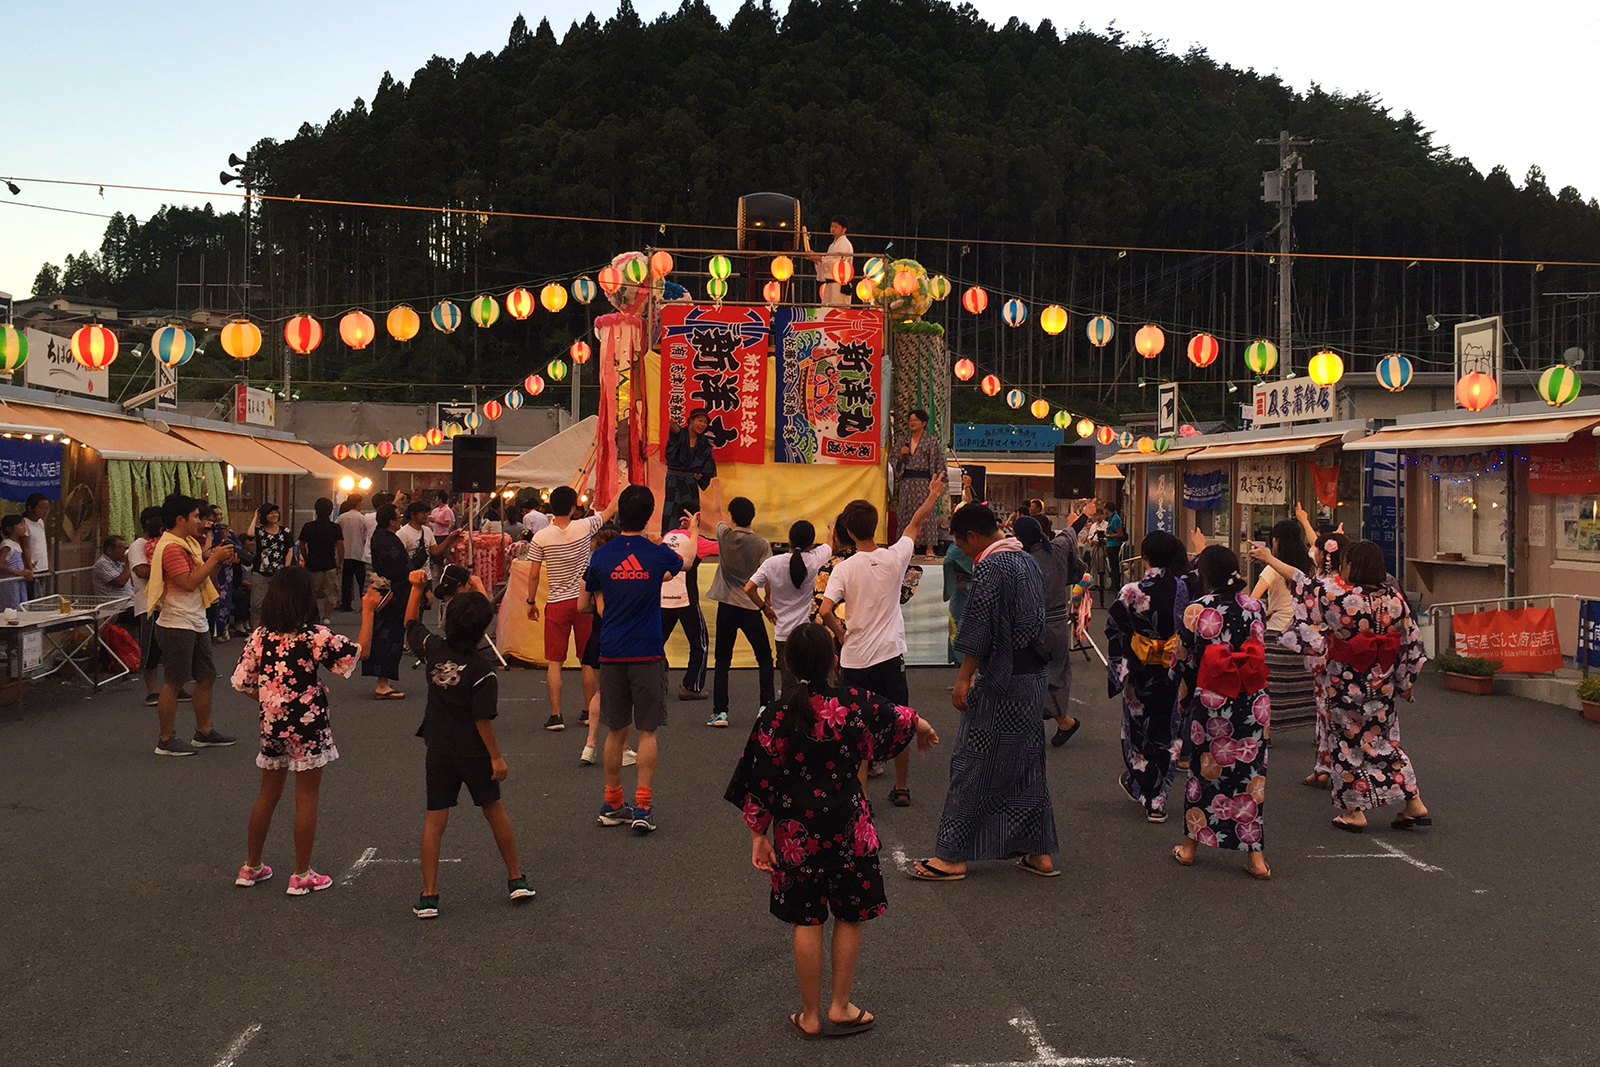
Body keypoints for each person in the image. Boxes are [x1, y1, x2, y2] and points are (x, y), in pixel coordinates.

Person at [726, 622, 938, 1038]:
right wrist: (924, 727)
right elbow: (902, 717)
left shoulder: (775, 715)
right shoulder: (856, 703)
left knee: (806, 921)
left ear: (787, 662)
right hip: (849, 828)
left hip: (796, 835)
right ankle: (840, 1005)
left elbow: (760, 779)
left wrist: (758, 835)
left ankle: (809, 1014)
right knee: (849, 915)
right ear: (835, 660)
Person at [909, 504, 1057, 880]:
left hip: (1002, 678)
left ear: (972, 537)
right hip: (1034, 675)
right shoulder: (1025, 558)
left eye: (962, 544)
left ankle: (952, 855)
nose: (965, 552)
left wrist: (964, 677)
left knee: (973, 761)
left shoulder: (991, 566)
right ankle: (1038, 851)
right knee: (1028, 763)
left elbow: (978, 626)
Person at [1251, 538, 1432, 832]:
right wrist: (1402, 680)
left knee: (1346, 744)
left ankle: (1353, 811)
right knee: (1383, 741)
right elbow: (1410, 643)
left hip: (1346, 681)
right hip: (1382, 682)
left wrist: (1270, 558)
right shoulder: (1395, 599)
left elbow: (1301, 582)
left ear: (1351, 566)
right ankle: (1413, 801)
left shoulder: (1340, 598)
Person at [231, 567, 379, 895]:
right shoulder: (314, 636)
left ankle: (251, 865)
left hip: (272, 723)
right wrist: (367, 610)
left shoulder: (260, 636)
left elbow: (242, 681)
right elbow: (358, 653)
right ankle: (301, 873)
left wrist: (271, 698)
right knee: (306, 795)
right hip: (308, 722)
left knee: (267, 794)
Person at [405, 567, 535, 918]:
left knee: (435, 820)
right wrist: (497, 757)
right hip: (474, 750)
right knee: (494, 811)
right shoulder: (483, 669)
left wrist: (416, 589)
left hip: (439, 747)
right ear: (483, 630)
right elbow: (483, 720)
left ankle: (429, 894)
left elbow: (410, 625)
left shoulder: (433, 648)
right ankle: (515, 877)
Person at [818, 479, 942, 806]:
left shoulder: (843, 569)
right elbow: (915, 523)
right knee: (899, 717)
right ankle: (901, 787)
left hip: (855, 659)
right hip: (889, 654)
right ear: (875, 526)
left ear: (847, 529)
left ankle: (863, 796)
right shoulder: (895, 556)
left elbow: (825, 610)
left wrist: (842, 635)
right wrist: (932, 494)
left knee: (857, 727)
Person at [581, 485, 695, 832]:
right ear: (649, 514)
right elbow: (684, 563)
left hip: (612, 651)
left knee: (616, 730)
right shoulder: (658, 553)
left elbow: (583, 604)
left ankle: (613, 802)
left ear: (619, 513)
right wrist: (687, 533)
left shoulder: (601, 555)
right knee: (647, 732)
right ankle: (643, 807)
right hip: (647, 651)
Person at [1171, 546, 1272, 879]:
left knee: (1204, 772)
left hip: (1214, 698)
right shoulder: (1256, 606)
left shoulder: (1196, 609)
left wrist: (1183, 699)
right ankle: (1255, 857)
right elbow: (1259, 645)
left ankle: (1189, 848)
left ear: (1205, 575)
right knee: (1250, 776)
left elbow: (1183, 659)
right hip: (1252, 700)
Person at [1104, 530, 1191, 823]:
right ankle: (1159, 799)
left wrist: (1122, 663)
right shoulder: (1182, 588)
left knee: (1138, 730)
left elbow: (1114, 627)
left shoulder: (1132, 591)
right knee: (1166, 731)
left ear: (1145, 558)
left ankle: (1143, 785)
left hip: (1139, 670)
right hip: (1171, 670)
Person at [147, 493, 237, 757]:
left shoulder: (186, 542)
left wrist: (217, 560)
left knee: (206, 676)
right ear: (180, 519)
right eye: (197, 516)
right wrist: (213, 559)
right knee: (174, 681)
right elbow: (187, 582)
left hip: (195, 619)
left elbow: (201, 577)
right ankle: (166, 739)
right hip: (177, 621)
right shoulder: (172, 546)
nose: (201, 521)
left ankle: (204, 731)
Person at [524, 485, 620, 730]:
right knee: (585, 659)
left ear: (550, 508)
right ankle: (588, 710)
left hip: (556, 603)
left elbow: (533, 575)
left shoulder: (541, 537)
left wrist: (531, 601)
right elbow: (610, 510)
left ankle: (556, 715)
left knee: (555, 661)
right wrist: (622, 484)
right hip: (583, 601)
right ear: (573, 507)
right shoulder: (583, 526)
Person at [704, 489, 775, 728]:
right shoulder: (762, 544)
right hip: (750, 607)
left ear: (733, 517)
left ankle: (720, 712)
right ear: (752, 518)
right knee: (765, 658)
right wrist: (766, 604)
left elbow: (716, 513)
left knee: (722, 661)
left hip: (726, 605)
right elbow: (767, 578)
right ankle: (766, 705)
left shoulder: (724, 535)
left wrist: (715, 489)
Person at [1014, 515, 1083, 747]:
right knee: (1058, 673)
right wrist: (1083, 515)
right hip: (1059, 623)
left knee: (1031, 675)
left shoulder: (1023, 561)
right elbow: (1070, 533)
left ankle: (1060, 722)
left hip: (1035, 627)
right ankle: (1062, 721)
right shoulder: (1057, 549)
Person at [746, 520, 834, 699]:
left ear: (788, 539)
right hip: (808, 633)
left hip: (783, 634)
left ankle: (790, 718)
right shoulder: (816, 558)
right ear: (811, 543)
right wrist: (831, 529)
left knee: (788, 683)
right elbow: (830, 545)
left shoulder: (772, 563)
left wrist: (764, 607)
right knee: (813, 680)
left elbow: (749, 588)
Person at [1251, 520, 1319, 754]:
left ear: (1276, 541)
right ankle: (1319, 733)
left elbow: (1253, 598)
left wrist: (1267, 609)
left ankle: (1267, 734)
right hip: (1305, 634)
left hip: (1277, 631)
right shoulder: (1311, 566)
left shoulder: (1272, 568)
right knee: (1310, 687)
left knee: (1269, 687)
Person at [660, 514, 710, 700]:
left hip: (663, 598)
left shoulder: (666, 538)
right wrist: (696, 531)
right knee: (700, 643)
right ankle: (691, 686)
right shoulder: (697, 540)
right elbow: (723, 546)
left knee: (656, 642)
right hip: (686, 599)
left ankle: (652, 682)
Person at [365, 504, 411, 701]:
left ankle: (383, 681)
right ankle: (382, 684)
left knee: (384, 634)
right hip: (393, 592)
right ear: (391, 521)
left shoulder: (379, 535)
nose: (401, 518)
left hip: (385, 591)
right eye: (398, 516)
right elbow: (402, 569)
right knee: (390, 637)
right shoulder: (389, 542)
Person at [128, 507, 169, 706]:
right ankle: (152, 689)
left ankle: (172, 687)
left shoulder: (165, 543)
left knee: (168, 648)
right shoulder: (138, 545)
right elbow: (141, 570)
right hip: (147, 604)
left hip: (167, 603)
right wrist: (167, 568)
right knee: (150, 648)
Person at [891, 409, 944, 555]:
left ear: (924, 423)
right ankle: (910, 547)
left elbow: (938, 463)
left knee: (927, 513)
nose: (912, 423)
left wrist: (936, 484)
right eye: (910, 420)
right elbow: (893, 461)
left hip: (924, 482)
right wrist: (901, 455)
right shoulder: (904, 441)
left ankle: (929, 548)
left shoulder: (931, 441)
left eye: (915, 420)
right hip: (907, 482)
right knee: (906, 514)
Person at [662, 408, 718, 535]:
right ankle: (670, 540)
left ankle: (690, 539)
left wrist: (702, 476)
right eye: (699, 421)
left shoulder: (703, 442)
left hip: (690, 482)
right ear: (691, 421)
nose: (702, 425)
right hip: (674, 480)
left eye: (705, 422)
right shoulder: (680, 434)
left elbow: (708, 462)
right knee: (672, 510)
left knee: (691, 512)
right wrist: (673, 425)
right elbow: (675, 431)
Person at [205, 505, 248, 642]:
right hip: (213, 569)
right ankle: (213, 631)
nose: (219, 517)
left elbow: (239, 548)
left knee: (225, 601)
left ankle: (223, 630)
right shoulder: (207, 533)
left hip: (227, 571)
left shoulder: (229, 532)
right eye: (215, 515)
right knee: (214, 601)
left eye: (220, 514)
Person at [297, 498, 344, 624]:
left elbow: (302, 544)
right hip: (329, 563)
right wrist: (340, 562)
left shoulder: (309, 526)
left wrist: (306, 556)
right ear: (330, 511)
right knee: (330, 592)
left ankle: (313, 615)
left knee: (312, 591)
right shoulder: (335, 527)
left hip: (312, 563)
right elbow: (340, 546)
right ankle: (326, 616)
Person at [248, 503, 296, 625]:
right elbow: (249, 535)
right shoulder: (259, 531)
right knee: (257, 604)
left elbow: (289, 550)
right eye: (270, 512)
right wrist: (255, 518)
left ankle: (274, 629)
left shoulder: (284, 531)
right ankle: (256, 633)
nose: (274, 515)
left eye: (276, 512)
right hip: (260, 571)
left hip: (279, 572)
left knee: (278, 603)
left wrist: (286, 568)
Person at [399, 499, 461, 576]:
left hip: (427, 577)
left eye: (426, 512)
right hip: (410, 578)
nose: (426, 515)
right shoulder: (403, 533)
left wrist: (450, 538)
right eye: (422, 512)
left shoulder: (427, 531)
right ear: (412, 514)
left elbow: (435, 551)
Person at [802, 216, 854, 307]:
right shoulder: (832, 246)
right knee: (826, 310)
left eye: (836, 227)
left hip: (839, 285)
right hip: (829, 284)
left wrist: (816, 256)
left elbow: (833, 262)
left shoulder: (845, 244)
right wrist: (813, 258)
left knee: (837, 311)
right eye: (832, 226)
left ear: (844, 229)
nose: (833, 229)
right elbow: (825, 262)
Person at [337, 493, 374, 613]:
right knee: (362, 581)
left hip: (345, 553)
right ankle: (365, 603)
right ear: (358, 503)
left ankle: (346, 604)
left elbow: (337, 533)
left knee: (346, 581)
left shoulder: (342, 517)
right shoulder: (362, 518)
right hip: (359, 553)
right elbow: (365, 536)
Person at [941, 538, 974, 665]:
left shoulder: (960, 544)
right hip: (973, 585)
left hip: (962, 587)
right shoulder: (976, 540)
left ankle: (965, 675)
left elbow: (949, 560)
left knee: (957, 627)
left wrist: (952, 576)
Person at [91, 535, 135, 624]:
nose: (124, 550)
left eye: (125, 547)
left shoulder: (118, 563)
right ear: (109, 551)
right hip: (116, 607)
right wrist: (128, 562)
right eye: (121, 548)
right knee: (145, 615)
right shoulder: (102, 564)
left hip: (129, 603)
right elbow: (121, 582)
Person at [22, 492, 51, 599]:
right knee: (32, 596)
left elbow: (43, 544)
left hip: (43, 566)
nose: (45, 511)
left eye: (47, 508)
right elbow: (26, 546)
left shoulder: (40, 522)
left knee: (41, 595)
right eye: (41, 508)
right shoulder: (25, 523)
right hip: (34, 568)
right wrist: (29, 565)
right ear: (30, 508)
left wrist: (49, 563)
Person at [0, 514, 28, 611]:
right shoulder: (6, 544)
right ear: (10, 528)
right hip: (9, 581)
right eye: (21, 525)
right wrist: (18, 573)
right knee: (11, 605)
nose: (24, 527)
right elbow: (1, 564)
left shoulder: (16, 544)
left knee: (21, 604)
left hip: (18, 580)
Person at [1103, 502, 1127, 586]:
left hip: (1114, 545)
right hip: (1110, 544)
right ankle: (1114, 583)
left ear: (1107, 509)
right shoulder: (1110, 518)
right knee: (1112, 565)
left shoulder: (1115, 519)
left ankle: (1116, 584)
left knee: (1114, 565)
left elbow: (1119, 533)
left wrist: (1109, 536)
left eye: (1105, 509)